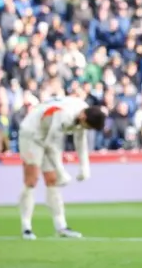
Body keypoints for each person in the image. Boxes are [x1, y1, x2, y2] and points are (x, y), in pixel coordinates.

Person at [18, 96, 107, 240]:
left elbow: (80, 139)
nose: (86, 129)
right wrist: (62, 171)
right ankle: (26, 227)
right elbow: (51, 144)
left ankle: (61, 226)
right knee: (31, 180)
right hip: (32, 133)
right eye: (87, 126)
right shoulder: (64, 114)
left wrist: (84, 167)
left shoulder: (83, 111)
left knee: (52, 180)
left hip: (46, 135)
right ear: (83, 116)